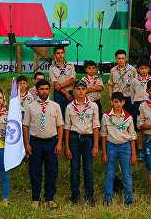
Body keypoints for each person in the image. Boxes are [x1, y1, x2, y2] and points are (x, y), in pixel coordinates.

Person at [23, 79, 63, 209]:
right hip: (35, 142)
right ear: (37, 91)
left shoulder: (55, 106)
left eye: (46, 89)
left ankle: (49, 198)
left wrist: (59, 143)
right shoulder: (30, 107)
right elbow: (25, 126)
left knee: (52, 171)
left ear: (49, 90)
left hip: (51, 142)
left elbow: (60, 126)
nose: (44, 91)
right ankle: (35, 198)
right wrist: (27, 144)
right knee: (35, 171)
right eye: (41, 89)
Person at [64, 80, 100, 206]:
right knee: (74, 169)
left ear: (86, 90)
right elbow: (67, 127)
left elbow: (96, 126)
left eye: (83, 89)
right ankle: (75, 196)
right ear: (74, 90)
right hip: (74, 139)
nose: (80, 91)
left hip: (88, 139)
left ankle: (89, 197)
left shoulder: (93, 106)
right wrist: (67, 146)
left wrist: (96, 145)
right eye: (78, 89)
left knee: (88, 169)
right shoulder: (69, 107)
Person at [101, 91, 136, 205]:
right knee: (110, 174)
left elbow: (132, 136)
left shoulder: (128, 117)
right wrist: (104, 153)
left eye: (120, 102)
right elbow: (103, 135)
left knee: (126, 174)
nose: (118, 104)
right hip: (111, 147)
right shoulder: (106, 116)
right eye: (115, 102)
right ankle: (108, 199)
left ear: (124, 102)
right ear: (111, 102)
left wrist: (134, 154)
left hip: (125, 147)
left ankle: (129, 199)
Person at [130, 62, 151, 161]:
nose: (144, 70)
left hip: (149, 105)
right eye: (142, 68)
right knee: (138, 128)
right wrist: (135, 104)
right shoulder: (134, 81)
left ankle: (150, 149)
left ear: (149, 69)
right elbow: (132, 94)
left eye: (146, 68)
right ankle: (140, 150)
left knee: (149, 126)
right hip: (137, 105)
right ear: (138, 70)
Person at [49, 46, 76, 119]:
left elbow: (72, 80)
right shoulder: (52, 67)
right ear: (54, 55)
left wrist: (60, 86)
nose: (60, 55)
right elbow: (55, 84)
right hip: (58, 94)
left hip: (70, 92)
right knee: (59, 115)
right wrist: (66, 93)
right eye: (58, 53)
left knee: (71, 114)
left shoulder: (70, 65)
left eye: (62, 53)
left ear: (64, 53)